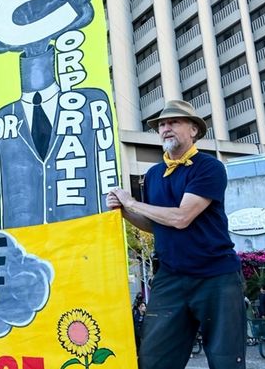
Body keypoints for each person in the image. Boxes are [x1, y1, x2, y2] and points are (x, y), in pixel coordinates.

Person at [107, 100, 245, 369]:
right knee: (154, 359)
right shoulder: (153, 174)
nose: (165, 128)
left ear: (193, 130)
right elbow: (154, 224)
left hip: (216, 277)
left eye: (173, 123)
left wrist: (132, 202)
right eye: (161, 125)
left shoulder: (209, 167)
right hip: (170, 277)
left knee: (226, 360)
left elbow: (181, 218)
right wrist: (123, 211)